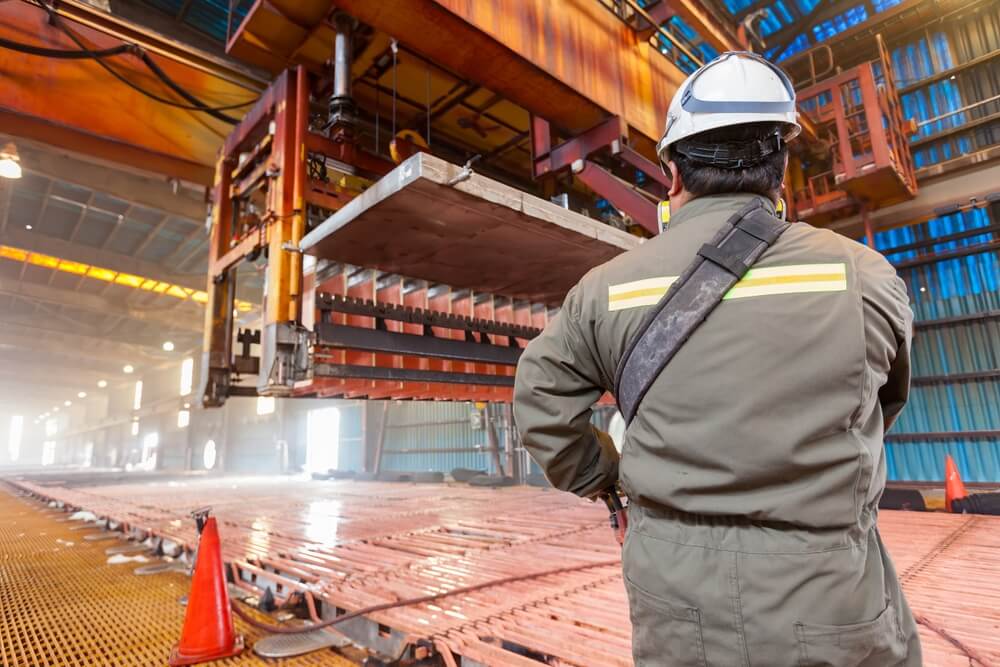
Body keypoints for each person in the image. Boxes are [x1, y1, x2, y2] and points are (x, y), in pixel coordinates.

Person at [513, 51, 921, 666]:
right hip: (831, 596)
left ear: (672, 173)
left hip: (675, 602)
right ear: (779, 170)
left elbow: (541, 406)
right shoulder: (864, 276)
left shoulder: (605, 289)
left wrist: (609, 479)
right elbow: (880, 404)